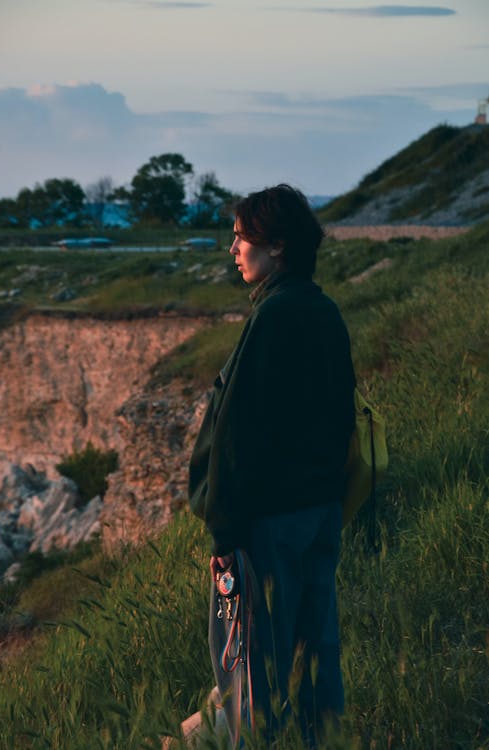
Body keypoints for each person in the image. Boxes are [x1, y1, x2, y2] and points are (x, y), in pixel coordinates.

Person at [188, 184, 356, 748]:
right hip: (318, 512)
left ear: (277, 246)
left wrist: (223, 531)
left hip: (267, 527)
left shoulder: (274, 316)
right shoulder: (322, 309)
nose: (233, 249)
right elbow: (341, 416)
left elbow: (238, 436)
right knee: (314, 659)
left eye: (242, 237)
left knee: (250, 672)